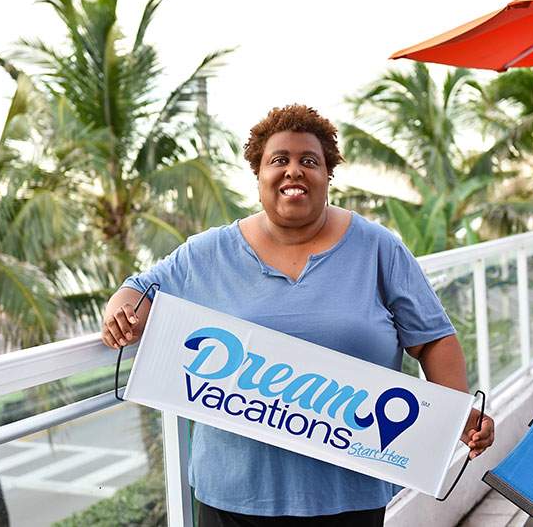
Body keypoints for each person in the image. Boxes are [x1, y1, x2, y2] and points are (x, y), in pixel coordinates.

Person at [101, 104, 494, 526]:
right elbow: (138, 290)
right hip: (233, 495)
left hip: (350, 492)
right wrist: (121, 313)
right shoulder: (208, 253)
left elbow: (433, 339)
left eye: (309, 161)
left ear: (327, 175)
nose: (294, 171)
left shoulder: (378, 248)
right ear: (258, 174)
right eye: (279, 160)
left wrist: (454, 413)